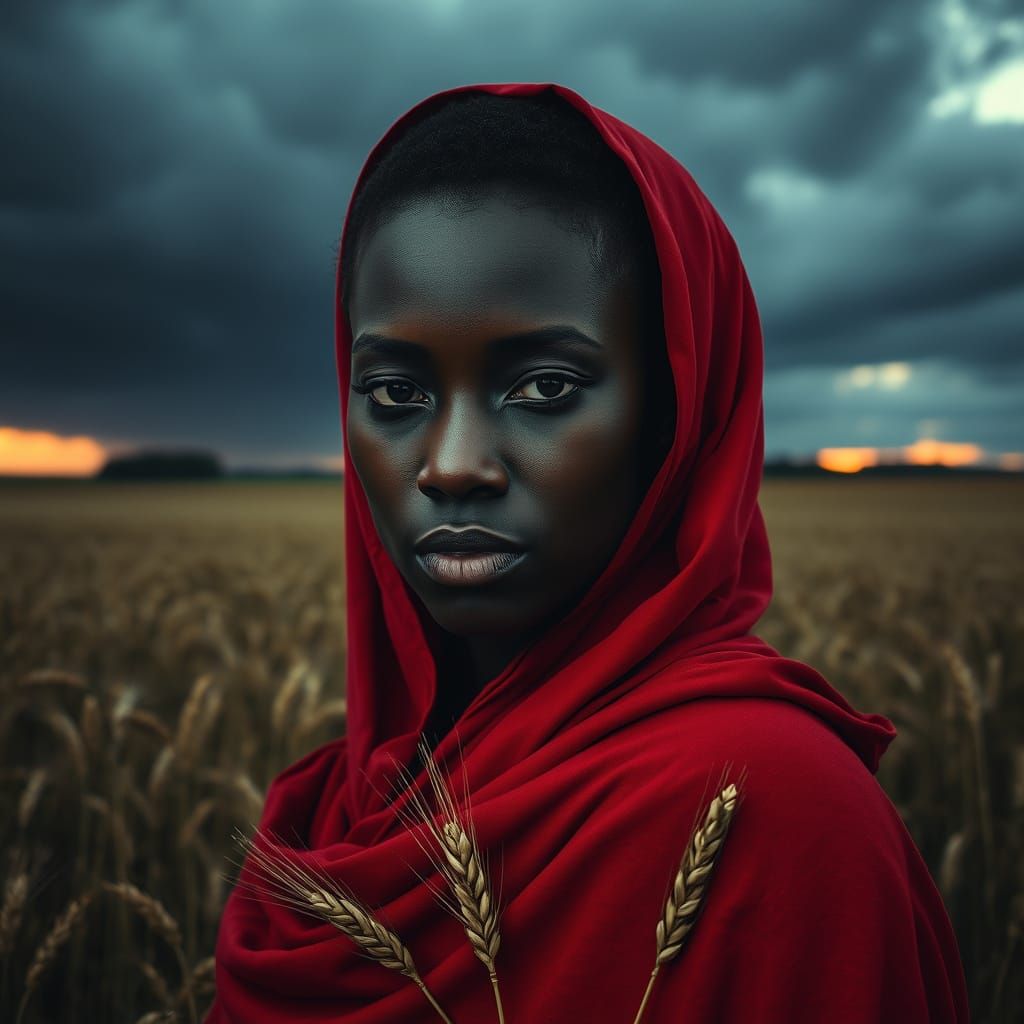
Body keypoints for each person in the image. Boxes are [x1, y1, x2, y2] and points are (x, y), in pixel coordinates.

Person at [208, 82, 969, 1023]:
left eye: (545, 385)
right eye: (396, 394)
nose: (451, 468)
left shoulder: (775, 814)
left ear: (676, 415)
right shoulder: (329, 818)